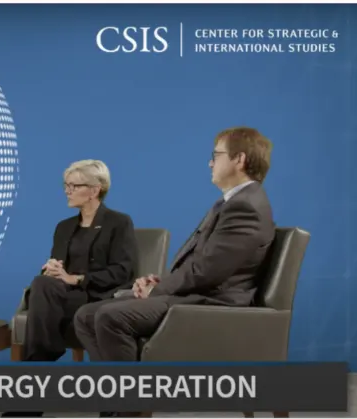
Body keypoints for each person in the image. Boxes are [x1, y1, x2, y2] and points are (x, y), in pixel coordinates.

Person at [74, 127, 275, 386]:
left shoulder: (245, 206)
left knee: (111, 316)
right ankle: (114, 399)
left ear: (239, 159)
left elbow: (207, 272)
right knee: (86, 315)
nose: (210, 163)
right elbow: (206, 264)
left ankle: (129, 401)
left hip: (214, 303)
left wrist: (157, 291)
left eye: (216, 155)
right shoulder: (231, 203)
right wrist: (160, 283)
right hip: (198, 293)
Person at [22, 159, 139, 362]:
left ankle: (38, 362)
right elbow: (58, 269)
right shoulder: (64, 227)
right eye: (66, 185)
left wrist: (77, 279)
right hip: (63, 295)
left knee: (41, 295)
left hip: (97, 295)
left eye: (74, 186)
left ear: (94, 190)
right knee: (42, 282)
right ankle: (40, 359)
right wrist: (51, 269)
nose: (67, 191)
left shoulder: (119, 222)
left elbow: (123, 271)